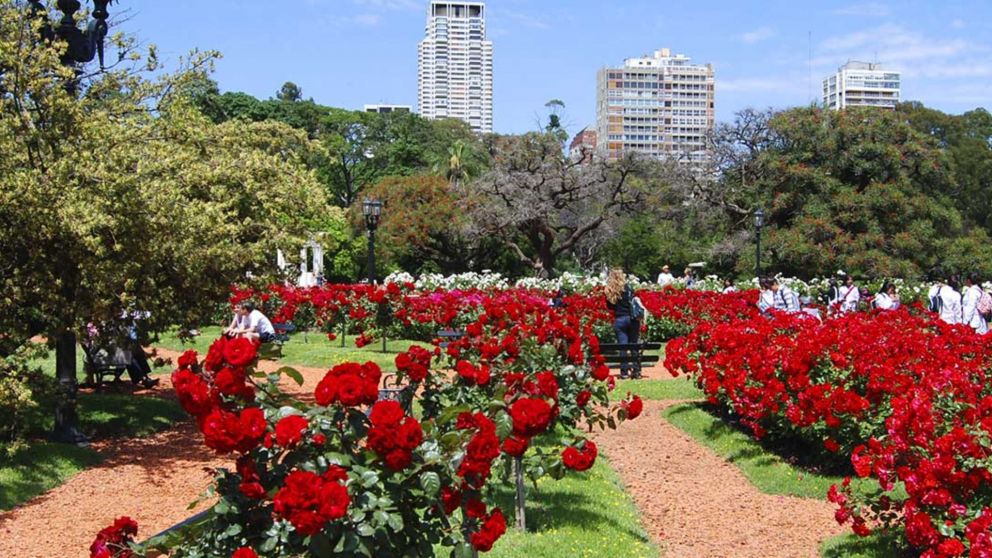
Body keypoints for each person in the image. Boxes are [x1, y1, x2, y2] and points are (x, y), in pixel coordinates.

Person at [604, 268, 641, 379]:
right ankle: (636, 371)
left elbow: (610, 307)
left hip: (619, 320)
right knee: (634, 346)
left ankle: (624, 372)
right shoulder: (628, 288)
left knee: (623, 347)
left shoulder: (609, 290)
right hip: (632, 319)